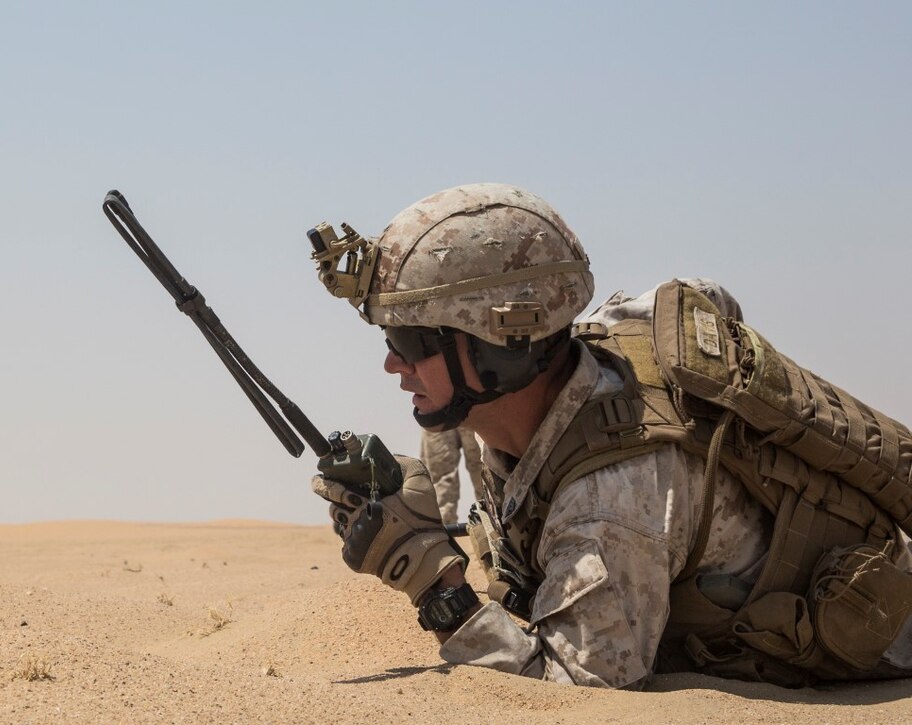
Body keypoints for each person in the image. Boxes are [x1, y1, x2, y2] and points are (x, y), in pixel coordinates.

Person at [311, 182, 912, 689]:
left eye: (412, 343)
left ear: (500, 347)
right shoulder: (583, 356)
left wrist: (432, 582)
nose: (394, 365)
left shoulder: (611, 502)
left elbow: (576, 696)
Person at [420, 426, 483, 526]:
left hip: (474, 413)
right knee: (439, 475)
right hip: (435, 415)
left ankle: (494, 525)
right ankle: (443, 531)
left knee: (484, 469)